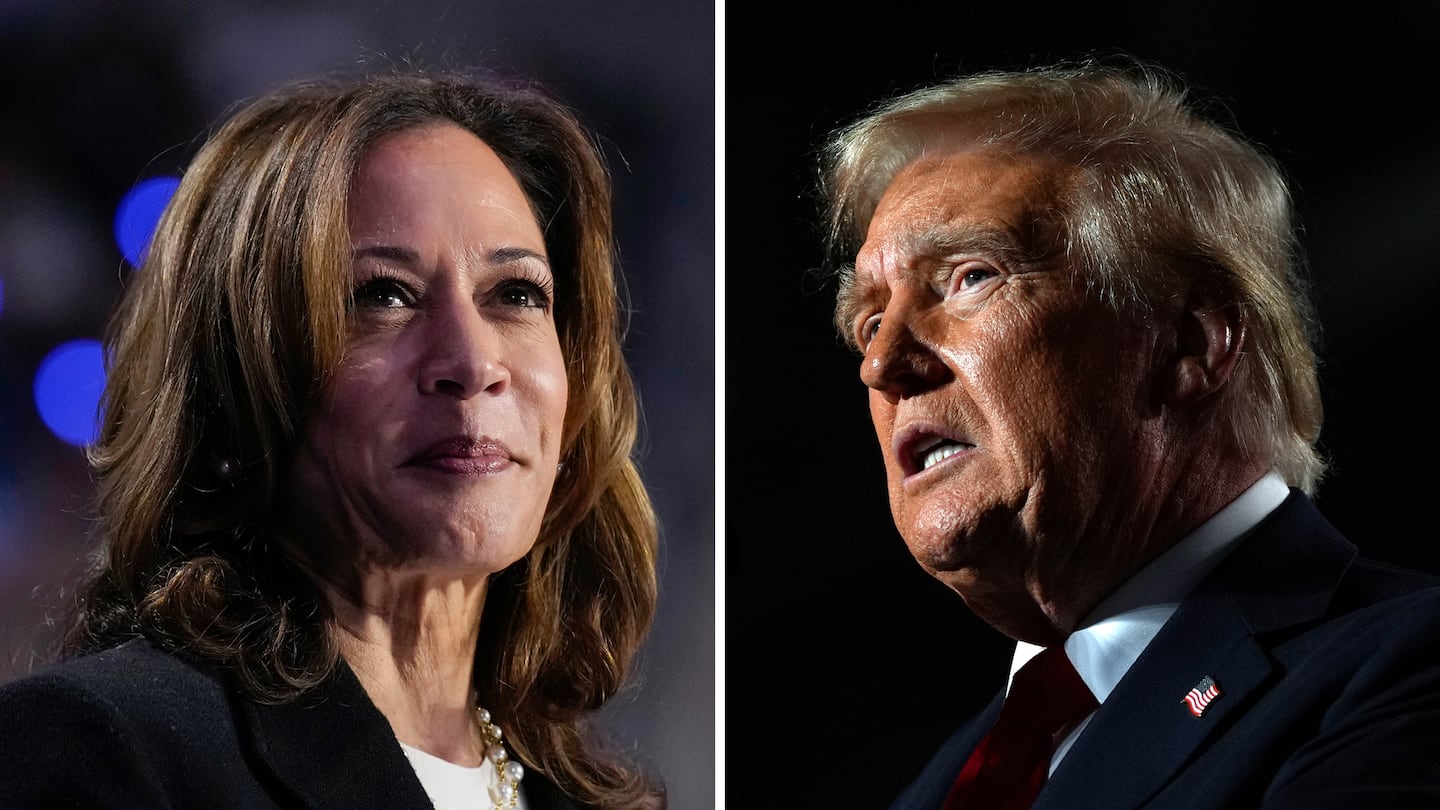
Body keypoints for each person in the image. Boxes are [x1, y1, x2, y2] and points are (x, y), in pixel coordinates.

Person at [0, 68, 664, 810]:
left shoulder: (595, 799)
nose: (475, 363)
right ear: (238, 381)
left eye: (516, 295)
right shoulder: (108, 751)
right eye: (383, 295)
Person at [813, 56, 1440, 809]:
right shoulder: (939, 785)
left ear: (1191, 344)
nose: (881, 363)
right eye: (870, 320)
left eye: (970, 276)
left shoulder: (1404, 666)